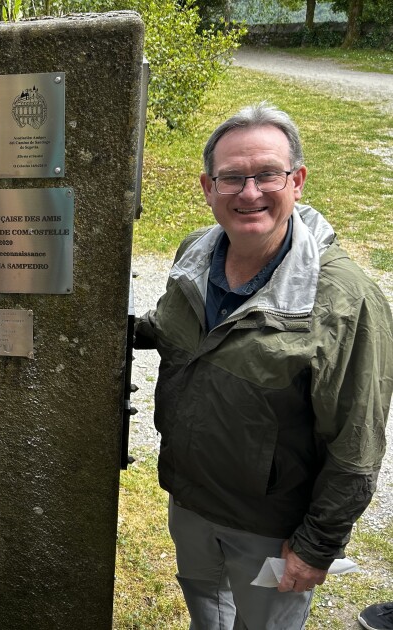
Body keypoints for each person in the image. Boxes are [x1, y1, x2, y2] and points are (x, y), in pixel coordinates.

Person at [135, 102, 392, 629]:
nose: (249, 193)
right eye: (231, 178)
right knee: (206, 609)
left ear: (296, 180)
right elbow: (176, 330)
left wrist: (316, 546)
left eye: (267, 174)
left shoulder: (346, 300)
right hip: (191, 501)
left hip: (270, 527)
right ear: (208, 187)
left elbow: (356, 444)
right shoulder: (196, 254)